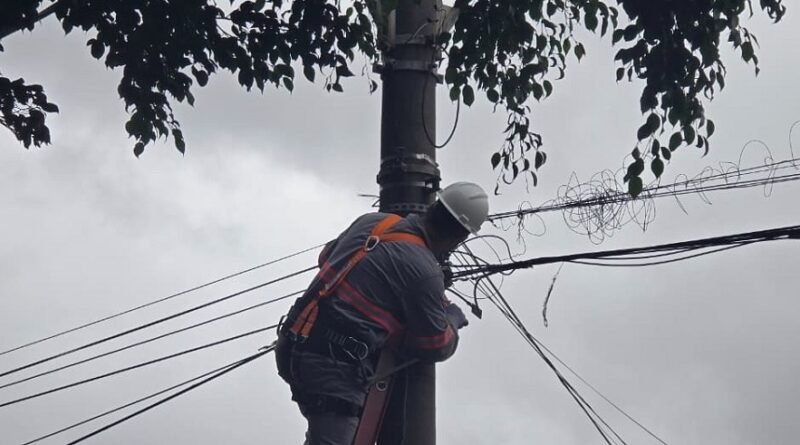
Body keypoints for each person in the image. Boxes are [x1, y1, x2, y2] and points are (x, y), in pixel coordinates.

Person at [275, 182, 489, 445]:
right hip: (332, 370)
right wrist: (452, 317)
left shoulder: (374, 222)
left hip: (293, 343)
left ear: (435, 205)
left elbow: (326, 256)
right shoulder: (424, 273)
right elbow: (436, 344)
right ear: (460, 237)